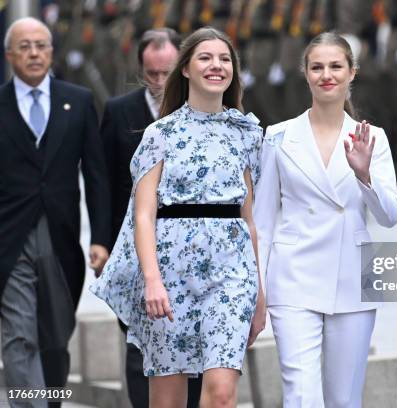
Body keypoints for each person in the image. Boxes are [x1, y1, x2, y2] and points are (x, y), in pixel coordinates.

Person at [91, 27, 266, 407]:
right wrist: (152, 280)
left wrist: (260, 296)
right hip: (170, 276)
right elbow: (142, 215)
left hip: (231, 275)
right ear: (185, 69)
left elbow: (249, 219)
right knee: (167, 400)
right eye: (205, 57)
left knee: (221, 394)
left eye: (224, 59)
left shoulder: (246, 133)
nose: (216, 65)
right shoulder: (160, 133)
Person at [254, 32, 397, 407]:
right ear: (305, 73)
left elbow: (390, 216)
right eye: (317, 67)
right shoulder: (278, 136)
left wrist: (365, 175)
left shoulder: (373, 138)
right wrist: (258, 287)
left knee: (344, 400)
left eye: (336, 66)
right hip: (292, 277)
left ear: (352, 72)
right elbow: (264, 220)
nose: (326, 75)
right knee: (300, 395)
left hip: (353, 276)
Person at [0, 17, 110, 405]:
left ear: (51, 52)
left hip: (61, 237)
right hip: (9, 239)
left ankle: (51, 399)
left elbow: (96, 175)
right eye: (24, 46)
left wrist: (100, 238)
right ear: (9, 55)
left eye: (40, 45)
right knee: (18, 335)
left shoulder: (77, 100)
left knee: (55, 337)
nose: (33, 53)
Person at [100, 28, 204, 408]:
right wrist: (101, 243)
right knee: (137, 344)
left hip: (191, 249)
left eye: (167, 72)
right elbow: (104, 182)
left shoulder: (203, 111)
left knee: (192, 346)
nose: (160, 81)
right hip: (132, 246)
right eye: (152, 74)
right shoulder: (119, 111)